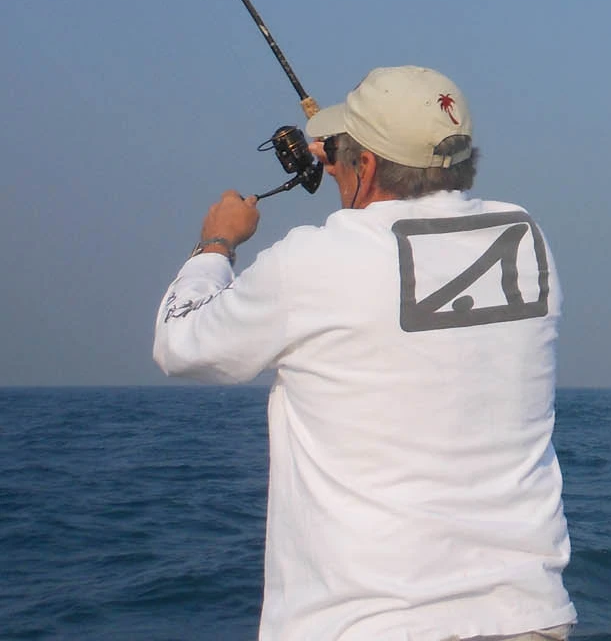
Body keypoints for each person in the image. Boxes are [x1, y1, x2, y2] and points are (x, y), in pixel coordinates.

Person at [154, 66, 574, 641]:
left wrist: (217, 244)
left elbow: (180, 345)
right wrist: (346, 156)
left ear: (368, 165)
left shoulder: (313, 263)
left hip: (368, 626)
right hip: (527, 619)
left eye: (342, 155)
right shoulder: (525, 239)